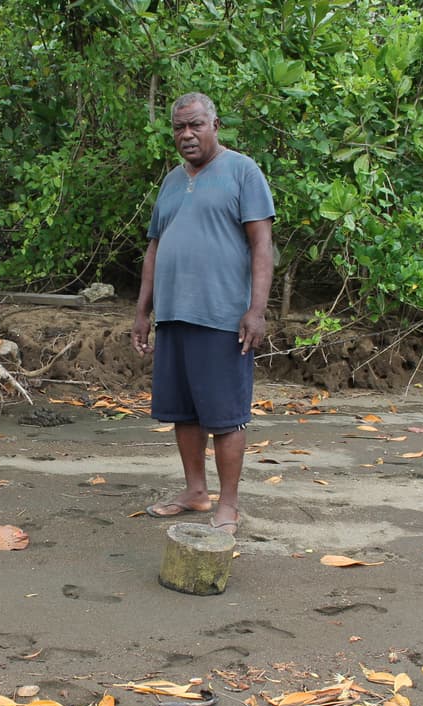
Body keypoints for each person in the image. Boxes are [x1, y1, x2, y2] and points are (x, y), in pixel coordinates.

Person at [132, 92, 275, 537]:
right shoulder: (172, 181)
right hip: (174, 316)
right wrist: (143, 311)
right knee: (184, 413)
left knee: (225, 415)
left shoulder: (242, 171)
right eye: (179, 127)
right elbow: (155, 246)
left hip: (222, 318)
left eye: (195, 125)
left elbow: (261, 245)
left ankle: (228, 505)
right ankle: (196, 492)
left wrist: (256, 310)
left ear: (215, 124)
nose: (187, 135)